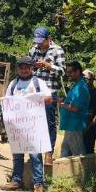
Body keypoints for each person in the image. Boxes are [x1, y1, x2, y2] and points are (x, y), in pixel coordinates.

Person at [0, 56, 53, 192]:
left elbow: (49, 99)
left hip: (33, 128)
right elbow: (7, 103)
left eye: (26, 67)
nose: (23, 70)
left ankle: (38, 185)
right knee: (17, 155)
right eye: (21, 67)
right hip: (17, 128)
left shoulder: (38, 82)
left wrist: (33, 98)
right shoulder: (13, 84)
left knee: (35, 155)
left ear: (31, 68)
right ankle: (16, 181)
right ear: (18, 69)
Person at [29, 26, 65, 164]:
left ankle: (49, 152)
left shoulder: (57, 50)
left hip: (49, 92)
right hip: (34, 92)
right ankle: (35, 153)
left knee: (49, 123)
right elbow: (28, 68)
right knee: (34, 123)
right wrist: (33, 66)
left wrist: (47, 66)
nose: (38, 44)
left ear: (48, 39)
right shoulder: (33, 50)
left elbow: (62, 71)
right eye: (36, 41)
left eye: (41, 41)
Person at [58, 61, 90, 158]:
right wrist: (64, 101)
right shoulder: (76, 86)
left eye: (70, 72)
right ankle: (63, 173)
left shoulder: (81, 87)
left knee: (78, 155)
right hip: (70, 126)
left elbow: (75, 108)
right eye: (67, 72)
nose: (68, 75)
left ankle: (84, 173)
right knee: (64, 153)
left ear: (78, 72)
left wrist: (61, 104)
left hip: (75, 126)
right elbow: (72, 103)